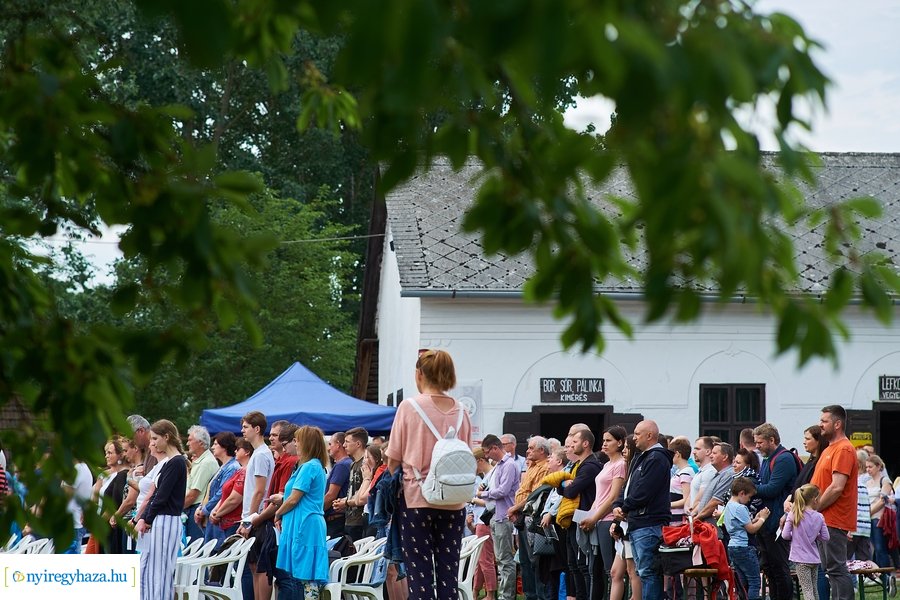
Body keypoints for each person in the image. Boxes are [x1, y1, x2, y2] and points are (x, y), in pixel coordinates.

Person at [385, 349, 472, 600]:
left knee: (420, 573)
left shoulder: (410, 407)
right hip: (454, 500)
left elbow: (393, 459)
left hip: (417, 498)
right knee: (448, 574)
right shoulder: (462, 411)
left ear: (419, 373)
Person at [612, 420, 672, 600]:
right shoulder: (641, 456)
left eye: (638, 434)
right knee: (643, 572)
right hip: (637, 522)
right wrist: (617, 505)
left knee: (648, 573)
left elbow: (644, 491)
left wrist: (624, 507)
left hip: (649, 522)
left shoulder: (656, 458)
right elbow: (628, 486)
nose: (634, 437)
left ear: (650, 435)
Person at [273, 425, 330, 600]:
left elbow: (294, 499)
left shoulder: (309, 467)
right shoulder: (312, 465)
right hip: (304, 522)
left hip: (305, 524)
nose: (295, 443)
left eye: (298, 440)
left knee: (305, 576)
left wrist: (278, 513)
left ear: (306, 443)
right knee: (304, 576)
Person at [136, 419, 187, 600]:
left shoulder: (177, 462)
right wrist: (144, 518)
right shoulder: (168, 463)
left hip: (166, 520)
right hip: (158, 521)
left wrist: (146, 519)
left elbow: (161, 496)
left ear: (167, 437)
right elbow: (155, 495)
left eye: (156, 438)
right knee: (150, 570)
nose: (153, 443)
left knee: (161, 574)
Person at [811, 404, 858, 600]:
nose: (820, 425)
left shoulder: (844, 449)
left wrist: (814, 508)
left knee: (836, 569)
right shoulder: (830, 448)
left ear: (837, 424)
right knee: (831, 569)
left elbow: (837, 487)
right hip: (825, 518)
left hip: (834, 518)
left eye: (824, 421)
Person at [753, 422, 800, 600]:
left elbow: (772, 489)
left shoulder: (783, 458)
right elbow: (765, 486)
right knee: (769, 569)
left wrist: (751, 487)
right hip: (767, 522)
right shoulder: (767, 458)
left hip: (777, 523)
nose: (757, 446)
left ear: (771, 440)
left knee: (780, 569)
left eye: (760, 442)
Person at [580, 426, 628, 600]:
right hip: (598, 518)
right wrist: (589, 514)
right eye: (604, 440)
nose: (604, 444)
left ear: (620, 442)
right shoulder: (607, 464)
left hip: (607, 519)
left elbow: (613, 496)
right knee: (595, 569)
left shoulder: (621, 464)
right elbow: (600, 495)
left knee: (611, 570)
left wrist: (594, 517)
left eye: (609, 440)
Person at [560, 428, 603, 600]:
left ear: (585, 444)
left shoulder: (590, 466)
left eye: (575, 442)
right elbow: (565, 487)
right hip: (574, 519)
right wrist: (564, 484)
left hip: (585, 518)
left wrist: (562, 485)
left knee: (585, 566)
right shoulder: (579, 465)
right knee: (574, 565)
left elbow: (571, 491)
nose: (571, 445)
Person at [238, 410, 276, 600]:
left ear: (257, 428)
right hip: (254, 518)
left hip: (258, 518)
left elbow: (260, 490)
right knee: (254, 566)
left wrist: (249, 520)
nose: (242, 431)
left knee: (260, 568)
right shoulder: (258, 454)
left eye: (245, 427)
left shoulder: (261, 455)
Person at [508, 436, 551, 600]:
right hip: (523, 518)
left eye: (531, 448)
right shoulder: (531, 466)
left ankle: (540, 596)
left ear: (542, 450)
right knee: (525, 561)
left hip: (532, 518)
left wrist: (515, 508)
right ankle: (530, 595)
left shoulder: (545, 468)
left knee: (536, 561)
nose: (527, 451)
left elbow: (535, 495)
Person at [479, 433, 522, 600]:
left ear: (495, 448)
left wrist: (484, 494)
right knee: (501, 559)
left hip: (505, 517)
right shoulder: (499, 466)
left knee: (505, 560)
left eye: (487, 451)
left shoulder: (509, 465)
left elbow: (503, 491)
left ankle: (506, 596)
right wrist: (487, 491)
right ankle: (504, 595)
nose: (486, 455)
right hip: (497, 516)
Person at [723, 477, 770, 600]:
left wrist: (756, 518)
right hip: (744, 547)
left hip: (732, 546)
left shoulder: (729, 506)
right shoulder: (740, 508)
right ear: (741, 493)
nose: (749, 500)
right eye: (749, 497)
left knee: (742, 582)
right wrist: (762, 518)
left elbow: (743, 524)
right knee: (754, 581)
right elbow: (751, 529)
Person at [783, 484, 830, 600]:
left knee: (807, 590)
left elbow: (785, 535)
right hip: (814, 557)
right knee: (814, 589)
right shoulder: (819, 516)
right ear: (815, 500)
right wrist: (813, 536)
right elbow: (825, 537)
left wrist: (795, 535)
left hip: (800, 558)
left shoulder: (794, 514)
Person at [609, 435, 641, 600]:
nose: (624, 451)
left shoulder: (634, 467)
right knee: (615, 572)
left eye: (627, 448)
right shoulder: (630, 467)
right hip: (623, 523)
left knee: (632, 569)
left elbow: (634, 496)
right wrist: (616, 515)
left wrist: (622, 511)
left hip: (631, 524)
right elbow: (622, 495)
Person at [195, 431, 240, 548]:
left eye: (215, 444)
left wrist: (204, 510)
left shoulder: (233, 468)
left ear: (224, 446)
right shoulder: (223, 467)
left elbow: (221, 494)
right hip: (212, 517)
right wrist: (201, 507)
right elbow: (209, 492)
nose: (212, 447)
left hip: (219, 518)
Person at [468, 446, 497, 600]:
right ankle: (475, 592)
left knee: (485, 559)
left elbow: (489, 503)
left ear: (479, 460)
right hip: (482, 520)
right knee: (480, 560)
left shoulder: (491, 475)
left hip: (485, 520)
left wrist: (471, 499)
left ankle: (490, 594)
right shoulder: (487, 475)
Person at [332, 426, 370, 540]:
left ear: (358, 444)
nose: (344, 445)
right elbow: (355, 490)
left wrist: (346, 502)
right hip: (350, 519)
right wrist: (343, 500)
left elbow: (365, 495)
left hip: (360, 520)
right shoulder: (353, 464)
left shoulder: (366, 463)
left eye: (347, 442)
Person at [209, 438, 253, 538]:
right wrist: (215, 510)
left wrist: (217, 513)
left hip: (234, 523)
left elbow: (234, 499)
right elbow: (225, 495)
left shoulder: (244, 472)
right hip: (226, 522)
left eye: (238, 449)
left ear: (247, 452)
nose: (235, 451)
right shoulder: (239, 471)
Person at [865, 454, 897, 581]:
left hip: (879, 518)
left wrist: (868, 512)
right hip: (869, 518)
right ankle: (878, 576)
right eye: (866, 467)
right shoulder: (867, 482)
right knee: (874, 549)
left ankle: (886, 577)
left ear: (878, 466)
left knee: (880, 548)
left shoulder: (884, 480)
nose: (868, 469)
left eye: (870, 467)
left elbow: (883, 500)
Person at [184, 425, 218, 542]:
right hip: (195, 509)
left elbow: (193, 495)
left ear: (200, 442)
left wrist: (174, 509)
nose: (187, 443)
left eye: (190, 440)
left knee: (193, 549)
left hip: (196, 511)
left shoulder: (206, 463)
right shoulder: (201, 461)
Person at [97, 436, 129, 553]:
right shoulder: (107, 474)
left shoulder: (122, 475)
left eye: (110, 453)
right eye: (106, 453)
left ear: (120, 455)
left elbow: (115, 501)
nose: (106, 456)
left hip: (110, 524)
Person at [692, 442, 735, 524]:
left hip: (715, 528)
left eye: (714, 453)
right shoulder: (718, 474)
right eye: (711, 453)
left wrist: (697, 518)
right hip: (707, 525)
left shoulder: (728, 475)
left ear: (725, 457)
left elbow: (716, 502)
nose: (711, 456)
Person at [323, 431, 351, 538]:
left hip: (335, 520)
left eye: (330, 444)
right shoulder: (346, 463)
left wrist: (316, 511)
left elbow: (331, 495)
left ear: (338, 445)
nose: (328, 448)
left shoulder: (342, 465)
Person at [667, 438, 693, 524]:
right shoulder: (680, 471)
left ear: (677, 454)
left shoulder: (686, 472)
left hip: (678, 518)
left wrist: (667, 505)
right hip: (673, 516)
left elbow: (686, 499)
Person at [795, 425, 828, 490]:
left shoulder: (819, 464)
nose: (804, 442)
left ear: (818, 441)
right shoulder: (810, 462)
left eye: (808, 439)